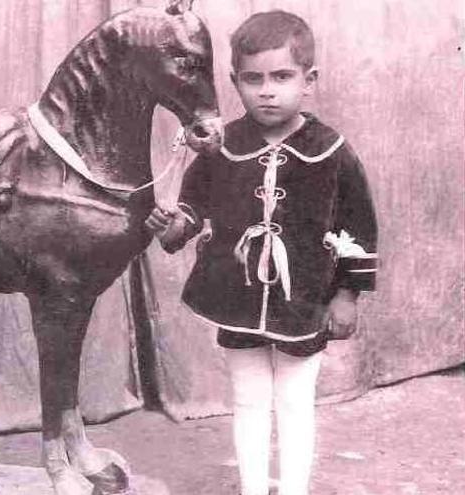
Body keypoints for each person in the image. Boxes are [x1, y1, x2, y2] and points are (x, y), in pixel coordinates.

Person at [145, 10, 378, 495]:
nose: (267, 90)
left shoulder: (331, 151)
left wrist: (348, 296)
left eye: (282, 77)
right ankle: (253, 489)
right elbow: (193, 206)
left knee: (294, 403)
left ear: (308, 81)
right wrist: (174, 226)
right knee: (248, 399)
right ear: (235, 82)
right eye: (253, 79)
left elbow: (358, 226)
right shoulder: (222, 146)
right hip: (237, 295)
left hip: (305, 300)